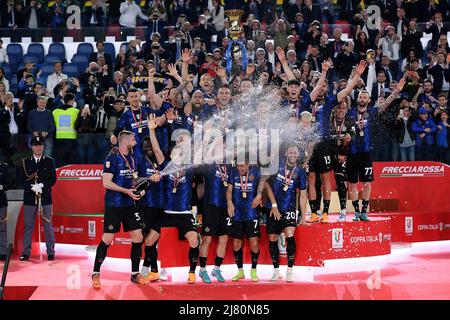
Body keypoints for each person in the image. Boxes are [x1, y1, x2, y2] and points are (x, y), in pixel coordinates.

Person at [92, 130, 149, 289]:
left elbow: (133, 179)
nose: (135, 140)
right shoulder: (111, 158)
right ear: (124, 141)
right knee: (107, 239)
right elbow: (106, 183)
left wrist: (141, 187)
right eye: (132, 138)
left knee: (138, 238)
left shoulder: (132, 158)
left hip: (129, 205)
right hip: (114, 205)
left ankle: (134, 274)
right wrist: (127, 192)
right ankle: (96, 273)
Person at [147, 113, 200, 284]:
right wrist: (152, 131)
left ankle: (192, 273)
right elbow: (155, 150)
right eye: (175, 152)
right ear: (172, 154)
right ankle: (154, 271)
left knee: (193, 240)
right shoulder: (165, 166)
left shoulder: (189, 167)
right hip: (166, 212)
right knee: (149, 240)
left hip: (184, 213)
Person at [265, 144, 307, 282]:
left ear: (298, 155)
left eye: (295, 153)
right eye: (291, 152)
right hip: (273, 208)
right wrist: (274, 205)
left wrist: (303, 216)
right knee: (272, 239)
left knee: (290, 235)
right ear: (286, 154)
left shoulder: (300, 172)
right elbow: (266, 184)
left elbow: (302, 195)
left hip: (289, 209)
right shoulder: (277, 166)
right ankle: (276, 271)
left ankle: (290, 270)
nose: (293, 155)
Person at [226, 163, 266, 282]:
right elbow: (229, 190)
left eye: (242, 166)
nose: (240, 169)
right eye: (238, 166)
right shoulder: (233, 172)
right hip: (237, 214)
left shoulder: (256, 171)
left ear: (248, 165)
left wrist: (259, 195)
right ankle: (240, 271)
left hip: (251, 213)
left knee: (254, 243)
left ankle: (254, 270)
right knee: (236, 243)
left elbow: (264, 180)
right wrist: (229, 202)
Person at [20, 136, 57, 261]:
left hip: (45, 197)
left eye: (40, 145)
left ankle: (51, 252)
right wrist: (32, 187)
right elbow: (21, 180)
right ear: (32, 147)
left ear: (43, 146)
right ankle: (26, 252)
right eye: (35, 145)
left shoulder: (49, 161)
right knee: (28, 226)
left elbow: (53, 179)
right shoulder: (25, 162)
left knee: (48, 225)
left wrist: (41, 185)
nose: (38, 147)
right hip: (30, 198)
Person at [138, 136, 165, 282]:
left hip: (161, 206)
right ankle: (143, 269)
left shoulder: (162, 162)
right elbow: (133, 180)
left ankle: (150, 269)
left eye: (150, 145)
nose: (148, 147)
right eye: (145, 145)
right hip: (146, 205)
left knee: (153, 239)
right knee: (144, 238)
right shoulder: (140, 161)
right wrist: (149, 179)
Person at [0, 160, 9, 261]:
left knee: (2, 228)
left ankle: (2, 252)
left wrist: (2, 186)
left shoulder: (4, 166)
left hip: (1, 202)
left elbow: (8, 183)